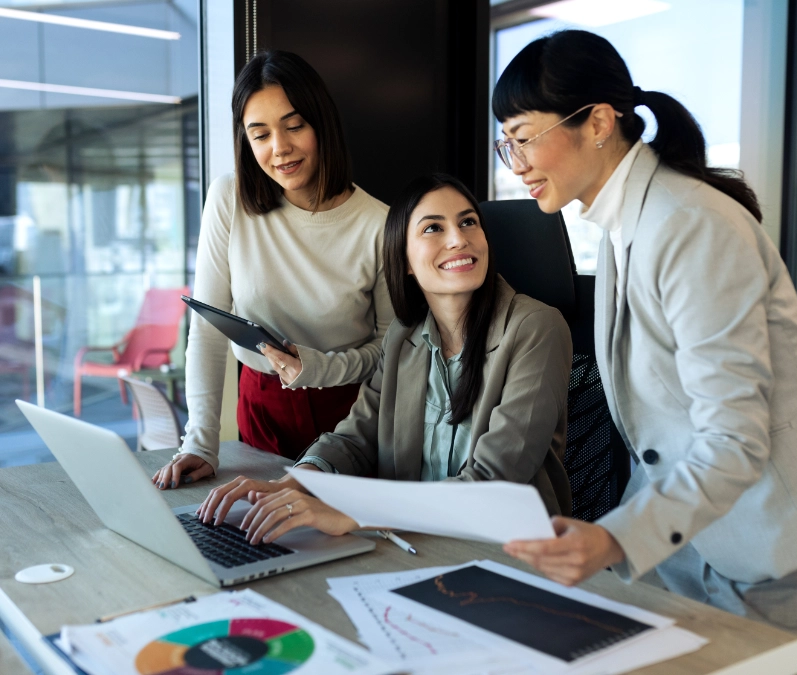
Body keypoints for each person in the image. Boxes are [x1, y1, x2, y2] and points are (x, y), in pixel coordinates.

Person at [491, 30, 797, 658]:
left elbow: (734, 436)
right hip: (680, 539)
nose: (518, 163)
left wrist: (616, 539)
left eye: (525, 136)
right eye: (506, 145)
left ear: (598, 123)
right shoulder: (624, 224)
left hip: (758, 544)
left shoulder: (690, 225)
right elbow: (658, 430)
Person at [194, 173, 573, 543]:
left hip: (509, 554)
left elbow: (493, 485)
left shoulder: (536, 329)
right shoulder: (404, 336)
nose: (459, 239)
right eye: (433, 228)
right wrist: (294, 481)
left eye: (468, 222)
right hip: (412, 544)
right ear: (404, 260)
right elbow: (358, 438)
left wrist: (351, 516)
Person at [152, 51, 394, 490]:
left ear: (322, 123)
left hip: (350, 416)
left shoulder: (379, 223)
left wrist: (318, 370)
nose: (278, 148)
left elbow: (391, 351)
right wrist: (199, 445)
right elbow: (207, 330)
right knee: (255, 538)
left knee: (343, 548)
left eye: (294, 126)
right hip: (261, 407)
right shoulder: (230, 197)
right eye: (259, 134)